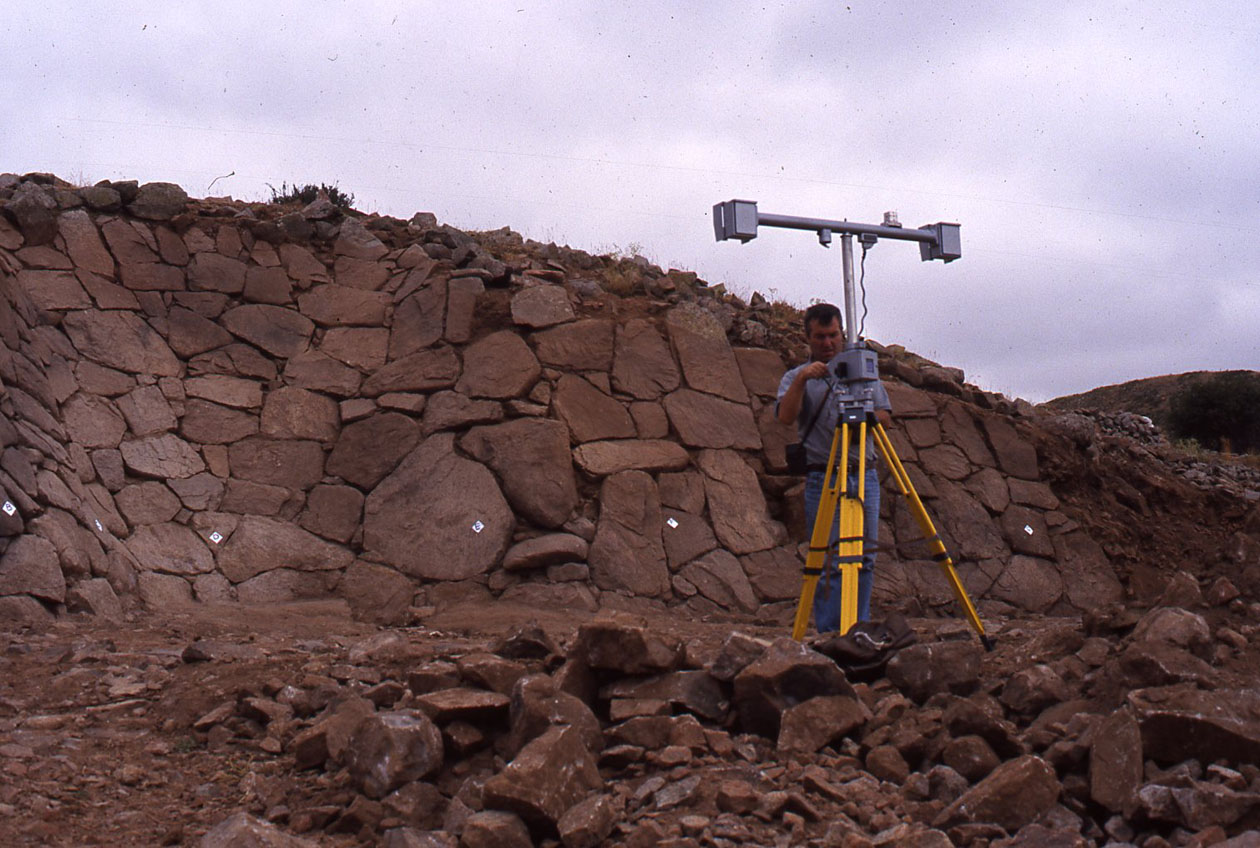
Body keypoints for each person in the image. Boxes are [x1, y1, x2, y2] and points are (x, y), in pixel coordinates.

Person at [776, 303, 893, 633]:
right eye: (820, 337)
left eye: (833, 335)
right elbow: (785, 417)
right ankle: (830, 632)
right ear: (808, 338)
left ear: (842, 334)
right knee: (830, 558)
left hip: (864, 474)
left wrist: (864, 418)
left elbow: (885, 415)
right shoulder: (796, 377)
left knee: (865, 556)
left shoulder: (862, 371)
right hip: (824, 476)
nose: (828, 343)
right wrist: (803, 379)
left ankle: (858, 628)